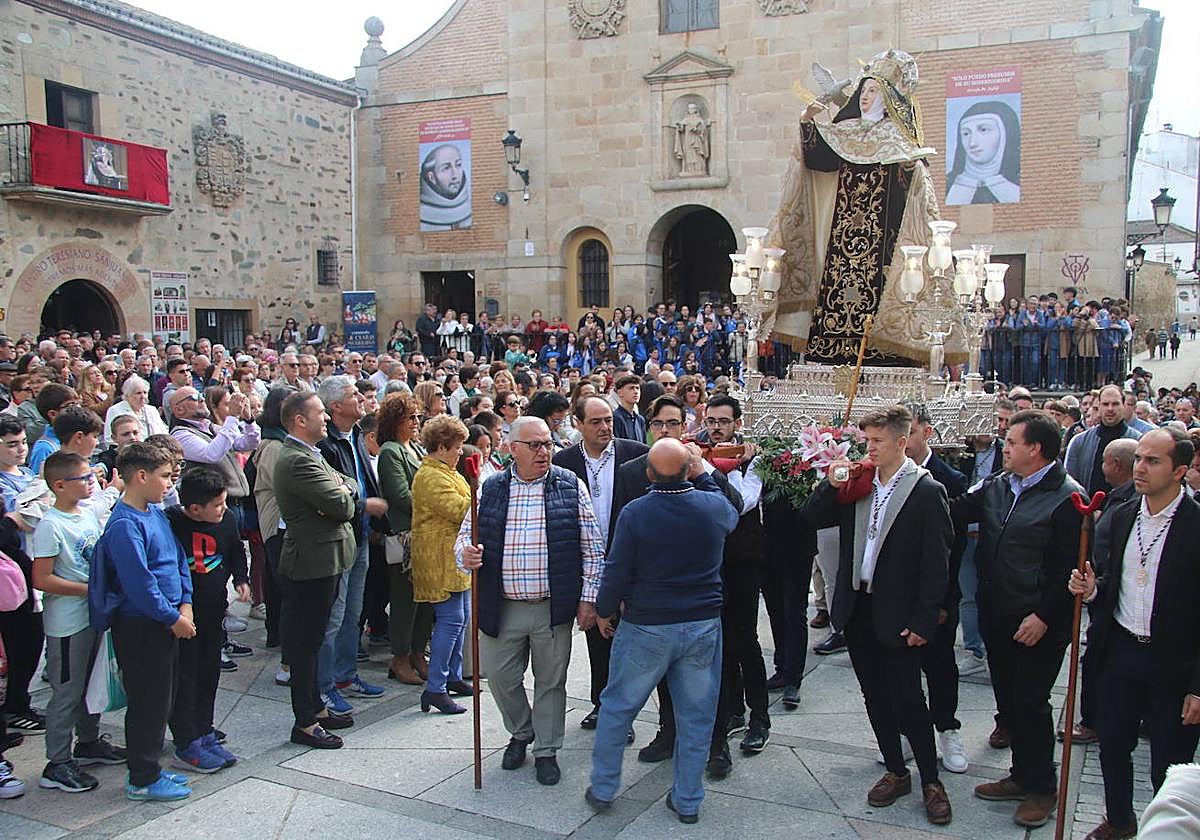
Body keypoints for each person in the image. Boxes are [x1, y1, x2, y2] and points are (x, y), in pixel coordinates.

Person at [804, 405, 953, 826]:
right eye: (866, 440)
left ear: (901, 442)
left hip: (899, 611)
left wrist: (924, 619)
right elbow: (810, 518)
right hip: (859, 606)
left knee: (909, 699)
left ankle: (931, 780)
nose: (869, 448)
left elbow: (936, 563)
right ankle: (895, 769)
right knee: (874, 696)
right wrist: (832, 483)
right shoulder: (859, 482)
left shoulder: (926, 490)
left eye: (877, 441)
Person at [586, 438, 737, 823]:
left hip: (647, 624)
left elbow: (617, 568)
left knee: (618, 706)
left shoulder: (636, 512)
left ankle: (603, 787)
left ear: (649, 474)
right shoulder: (712, 506)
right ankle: (688, 799)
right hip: (701, 623)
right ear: (688, 470)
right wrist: (703, 473)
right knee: (697, 715)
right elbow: (731, 513)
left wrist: (604, 609)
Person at [1067, 428, 1200, 840]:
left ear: (1179, 470)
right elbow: (1116, 580)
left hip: (1174, 661)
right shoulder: (1123, 515)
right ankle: (1119, 819)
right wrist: (1094, 590)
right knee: (1112, 744)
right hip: (1122, 650)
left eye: (1152, 461)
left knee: (1169, 761)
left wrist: (1198, 687)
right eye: (1139, 458)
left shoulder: (1195, 524)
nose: (1139, 468)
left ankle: (1165, 830)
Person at [952, 410, 1082, 828]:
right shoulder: (997, 485)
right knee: (1009, 699)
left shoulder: (1067, 498)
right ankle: (1021, 775)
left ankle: (1043, 788)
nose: (1003, 448)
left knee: (1030, 702)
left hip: (1037, 621)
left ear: (1035, 449)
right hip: (998, 610)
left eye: (1011, 442)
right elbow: (954, 509)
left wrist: (1043, 615)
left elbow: (1071, 568)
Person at [457, 416, 605, 786]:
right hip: (501, 604)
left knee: (551, 681)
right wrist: (466, 554)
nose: (544, 452)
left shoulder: (569, 485)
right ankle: (522, 731)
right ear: (512, 449)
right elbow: (464, 536)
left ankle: (547, 750)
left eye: (548, 444)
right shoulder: (491, 487)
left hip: (551, 606)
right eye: (535, 445)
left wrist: (588, 599)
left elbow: (593, 548)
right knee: (500, 677)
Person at [609, 394, 743, 763]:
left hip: (702, 590)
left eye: (673, 423)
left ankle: (716, 743)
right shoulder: (633, 471)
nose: (666, 430)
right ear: (649, 428)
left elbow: (733, 508)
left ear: (685, 427)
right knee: (664, 672)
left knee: (708, 676)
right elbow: (622, 532)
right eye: (659, 423)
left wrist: (703, 472)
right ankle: (668, 732)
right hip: (653, 593)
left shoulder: (698, 465)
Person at [90, 442, 195, 802]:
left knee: (162, 698)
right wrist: (171, 616)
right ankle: (142, 777)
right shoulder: (124, 524)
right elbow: (139, 583)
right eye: (164, 476)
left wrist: (185, 603)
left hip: (168, 619)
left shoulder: (155, 513)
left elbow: (177, 559)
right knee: (148, 702)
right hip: (142, 625)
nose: (169, 482)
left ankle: (151, 767)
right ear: (140, 476)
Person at [32, 452, 126, 793]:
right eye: (84, 478)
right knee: (67, 691)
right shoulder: (50, 525)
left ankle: (88, 742)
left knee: (92, 683)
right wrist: (88, 588)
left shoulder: (86, 513)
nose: (91, 483)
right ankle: (57, 762)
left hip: (93, 614)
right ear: (59, 485)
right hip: (68, 623)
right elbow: (42, 578)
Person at [552, 396, 647, 732]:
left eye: (608, 420)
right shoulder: (563, 462)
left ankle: (625, 710)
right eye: (595, 422)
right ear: (577, 424)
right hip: (585, 563)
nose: (605, 427)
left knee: (628, 638)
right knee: (597, 635)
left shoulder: (636, 454)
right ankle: (602, 703)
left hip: (630, 561)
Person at [273, 391, 359, 749]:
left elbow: (350, 484)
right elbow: (342, 505)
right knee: (306, 644)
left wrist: (343, 490)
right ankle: (305, 722)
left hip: (326, 558)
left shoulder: (312, 453)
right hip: (311, 562)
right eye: (320, 412)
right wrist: (342, 495)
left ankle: (316, 708)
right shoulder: (296, 460)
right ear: (299, 420)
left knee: (314, 637)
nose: (326, 418)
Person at [314, 377, 388, 716]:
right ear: (335, 407)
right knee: (334, 615)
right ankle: (324, 686)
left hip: (361, 535)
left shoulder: (356, 434)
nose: (360, 397)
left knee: (353, 613)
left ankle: (345, 675)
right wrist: (363, 506)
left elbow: (362, 480)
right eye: (352, 394)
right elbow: (333, 495)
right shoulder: (326, 444)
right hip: (338, 539)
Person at [165, 466, 247, 773]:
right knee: (185, 677)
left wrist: (241, 578)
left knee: (209, 673)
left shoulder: (227, 520)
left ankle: (204, 728)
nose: (224, 509)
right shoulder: (172, 523)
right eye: (217, 505)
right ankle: (187, 740)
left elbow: (236, 550)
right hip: (184, 617)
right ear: (195, 508)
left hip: (214, 613)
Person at [903, 403, 969, 774]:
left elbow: (952, 547)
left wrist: (941, 601)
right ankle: (909, 731)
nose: (904, 441)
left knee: (940, 666)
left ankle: (947, 728)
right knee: (902, 670)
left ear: (927, 432)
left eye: (910, 432)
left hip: (938, 593)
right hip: (898, 592)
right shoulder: (885, 474)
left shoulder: (950, 480)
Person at [410, 415, 472, 714]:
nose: (460, 451)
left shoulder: (448, 472)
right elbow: (460, 509)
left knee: (461, 617)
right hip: (438, 557)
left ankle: (452, 676)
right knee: (451, 620)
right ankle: (435, 687)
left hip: (453, 556)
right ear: (442, 446)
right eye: (457, 446)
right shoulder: (431, 476)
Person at [376, 394, 433, 685]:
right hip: (405, 535)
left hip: (426, 533)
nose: (415, 422)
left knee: (426, 598)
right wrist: (435, 504)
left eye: (417, 417)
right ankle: (399, 657)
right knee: (405, 600)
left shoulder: (416, 448)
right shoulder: (391, 451)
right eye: (409, 417)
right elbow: (400, 495)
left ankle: (417, 652)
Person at [1065, 385, 1141, 495]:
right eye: (1105, 404)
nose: (1110, 409)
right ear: (1099, 406)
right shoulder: (1079, 442)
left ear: (1124, 405)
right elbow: (1071, 482)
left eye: (1115, 404)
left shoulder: (1139, 442)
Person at [945, 100, 1021, 205]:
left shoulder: (1020, 182)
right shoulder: (948, 185)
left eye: (984, 130)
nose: (972, 143)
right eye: (966, 134)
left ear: (1005, 134)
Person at [103, 375, 167, 446]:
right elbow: (109, 439)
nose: (143, 396)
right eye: (138, 393)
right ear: (128, 395)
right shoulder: (115, 410)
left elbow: (164, 432)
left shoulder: (152, 410)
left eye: (145, 392)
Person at [610, 374, 645, 443]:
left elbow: (644, 445)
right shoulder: (615, 418)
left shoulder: (640, 419)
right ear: (620, 393)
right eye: (631, 388)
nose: (636, 392)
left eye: (637, 388)